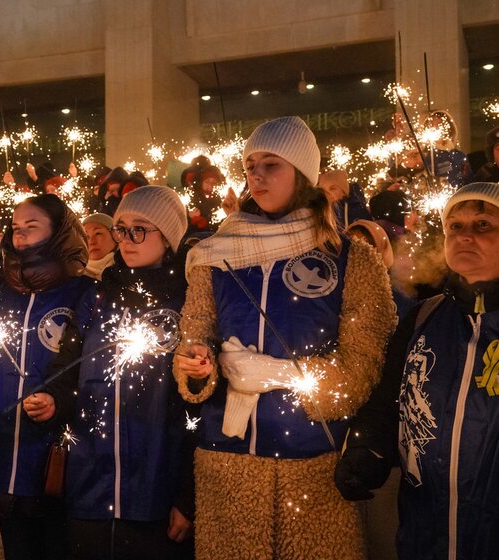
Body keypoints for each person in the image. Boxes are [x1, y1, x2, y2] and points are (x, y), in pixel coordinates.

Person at [173, 116, 397, 560]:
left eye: (271, 164)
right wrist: (196, 364)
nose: (256, 175)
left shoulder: (352, 259)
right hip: (227, 463)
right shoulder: (214, 255)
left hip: (314, 463)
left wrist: (284, 374)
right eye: (250, 165)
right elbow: (194, 333)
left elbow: (365, 365)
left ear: (303, 173)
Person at [335, 182, 499, 559]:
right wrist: (367, 449)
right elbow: (387, 401)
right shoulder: (423, 318)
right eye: (454, 227)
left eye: (483, 225)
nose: (465, 236)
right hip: (425, 539)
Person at [63, 186, 195, 560]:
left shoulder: (186, 300)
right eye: (121, 228)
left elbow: (196, 409)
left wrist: (187, 496)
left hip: (155, 489)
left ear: (168, 237)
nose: (126, 240)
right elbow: (68, 371)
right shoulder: (98, 296)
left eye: (140, 229)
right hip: (90, 486)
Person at [0, 194, 91, 560]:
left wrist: (58, 400)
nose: (21, 237)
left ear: (58, 234)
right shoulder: (1, 295)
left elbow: (86, 367)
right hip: (4, 455)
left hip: (54, 461)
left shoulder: (83, 294)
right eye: (15, 229)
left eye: (32, 227)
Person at [81, 213, 116, 280]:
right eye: (86, 237)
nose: (91, 242)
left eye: (98, 233)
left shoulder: (129, 271)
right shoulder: (75, 282)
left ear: (114, 237)